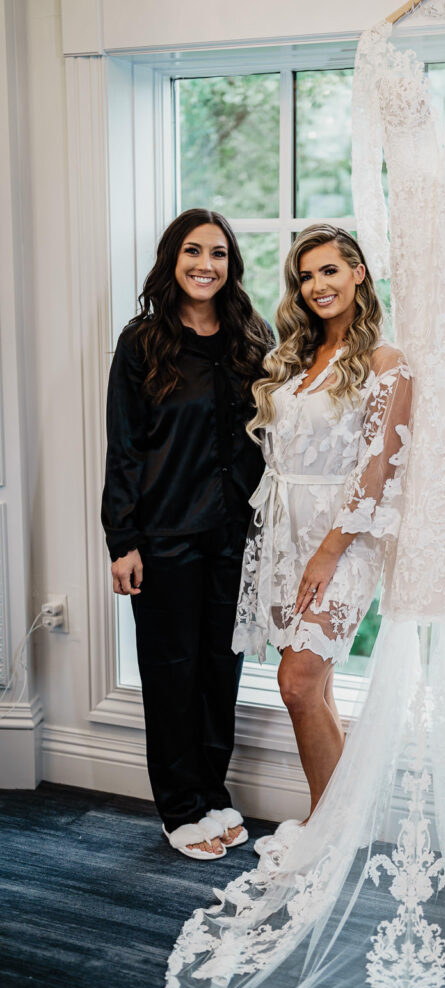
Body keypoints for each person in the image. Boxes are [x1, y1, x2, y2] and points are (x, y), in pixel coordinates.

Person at [232, 224, 413, 840]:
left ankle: (330, 830)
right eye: (306, 276)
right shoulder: (297, 357)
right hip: (282, 533)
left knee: (298, 682)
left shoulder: (387, 364)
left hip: (343, 538)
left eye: (329, 270)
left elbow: (378, 469)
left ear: (359, 272)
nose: (317, 286)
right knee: (317, 685)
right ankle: (331, 824)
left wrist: (327, 555)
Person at [101, 208, 272, 860]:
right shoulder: (142, 342)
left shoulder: (251, 336)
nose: (206, 264)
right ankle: (179, 809)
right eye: (194, 251)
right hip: (165, 534)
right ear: (173, 259)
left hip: (235, 534)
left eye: (219, 253)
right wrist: (123, 539)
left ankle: (212, 792)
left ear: (231, 265)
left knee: (218, 670)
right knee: (171, 674)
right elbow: (123, 447)